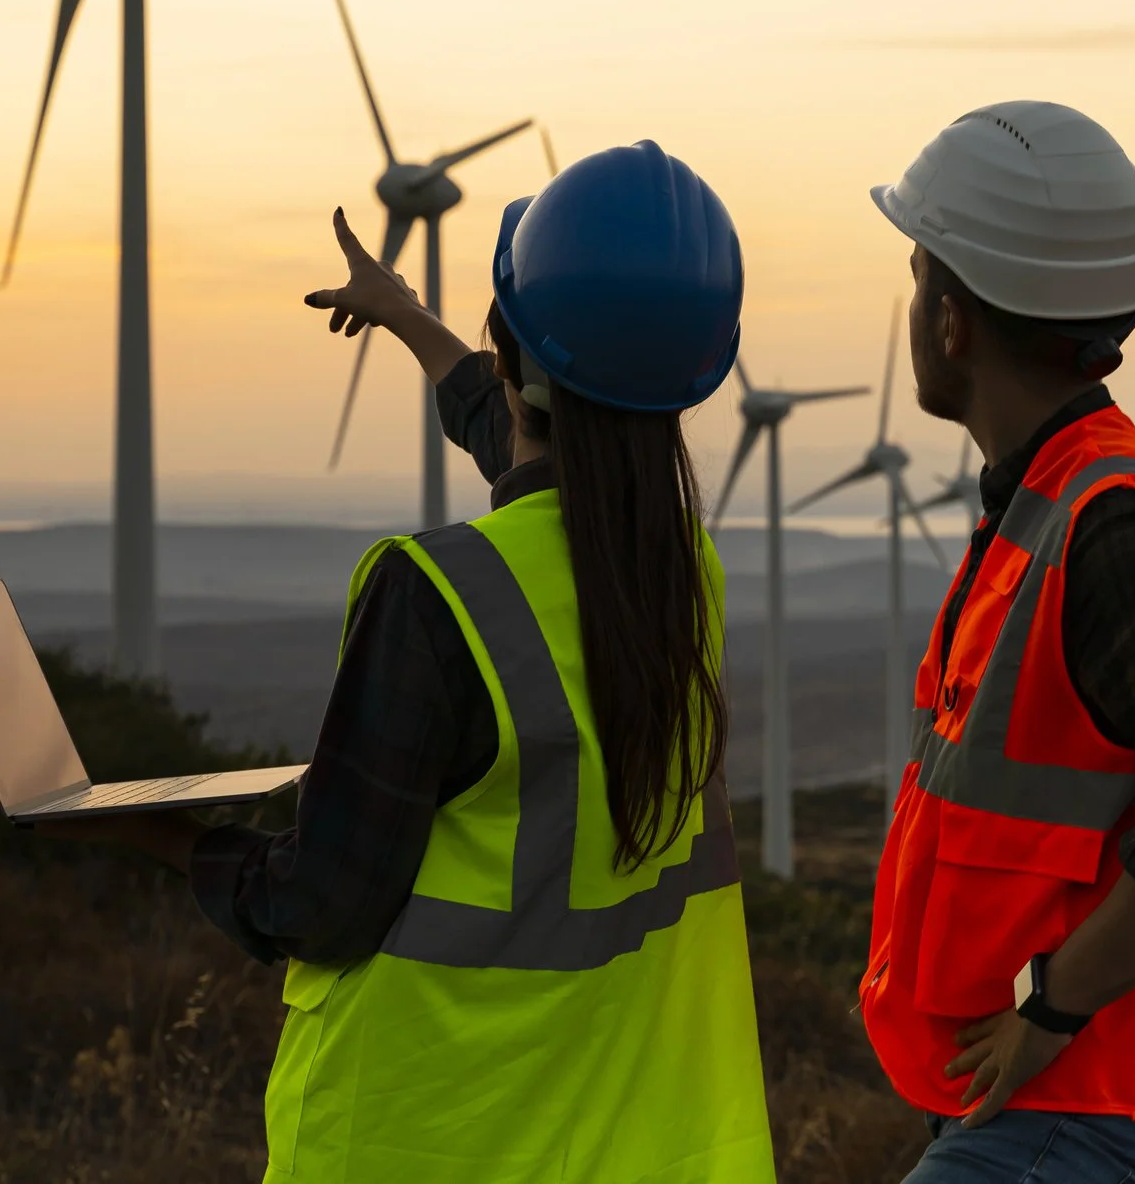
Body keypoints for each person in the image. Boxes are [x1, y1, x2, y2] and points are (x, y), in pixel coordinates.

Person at [58, 141, 778, 1183]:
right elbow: (535, 439)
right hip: (633, 1142)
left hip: (428, 1135)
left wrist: (169, 836)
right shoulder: (678, 575)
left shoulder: (440, 594)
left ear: (520, 360)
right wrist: (406, 316)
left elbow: (320, 903)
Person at [856, 101, 1135, 1184]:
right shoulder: (1055, 503)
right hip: (1052, 1119)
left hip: (1088, 1120)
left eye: (918, 274)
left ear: (953, 318)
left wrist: (1050, 1009)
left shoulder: (1115, 527)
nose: (912, 303)